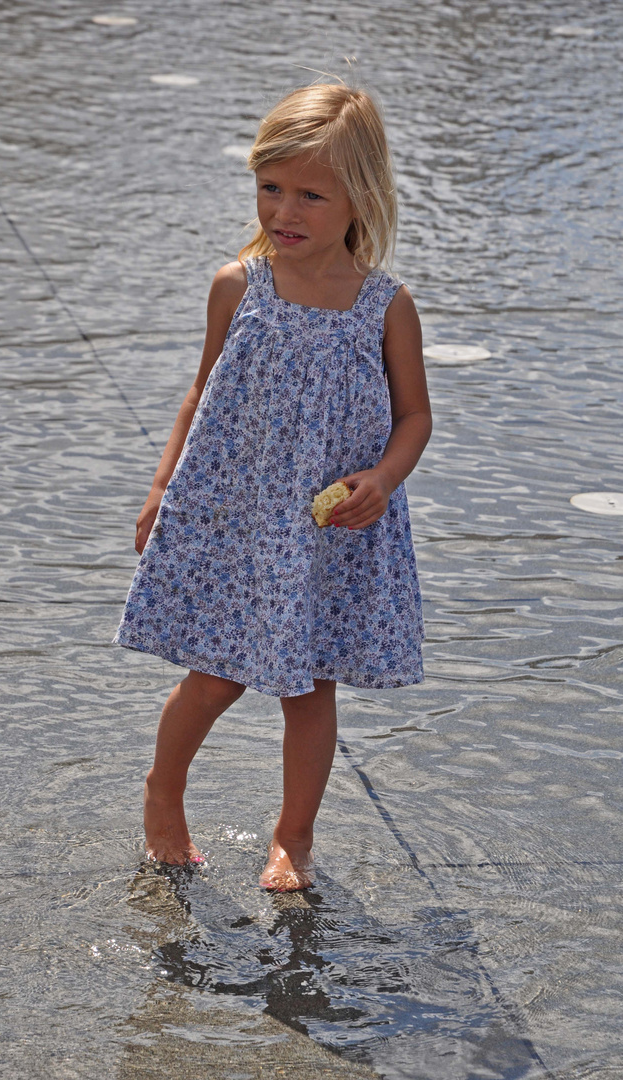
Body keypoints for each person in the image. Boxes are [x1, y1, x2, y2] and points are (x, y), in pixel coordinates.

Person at [113, 82, 432, 892]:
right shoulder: (237, 285)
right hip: (234, 514)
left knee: (310, 683)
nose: (282, 210)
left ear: (360, 198)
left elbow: (414, 418)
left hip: (330, 528)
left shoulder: (383, 307)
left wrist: (383, 478)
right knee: (214, 674)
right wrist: (160, 492)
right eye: (269, 187)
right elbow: (197, 394)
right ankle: (163, 793)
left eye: (309, 194)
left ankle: (293, 836)